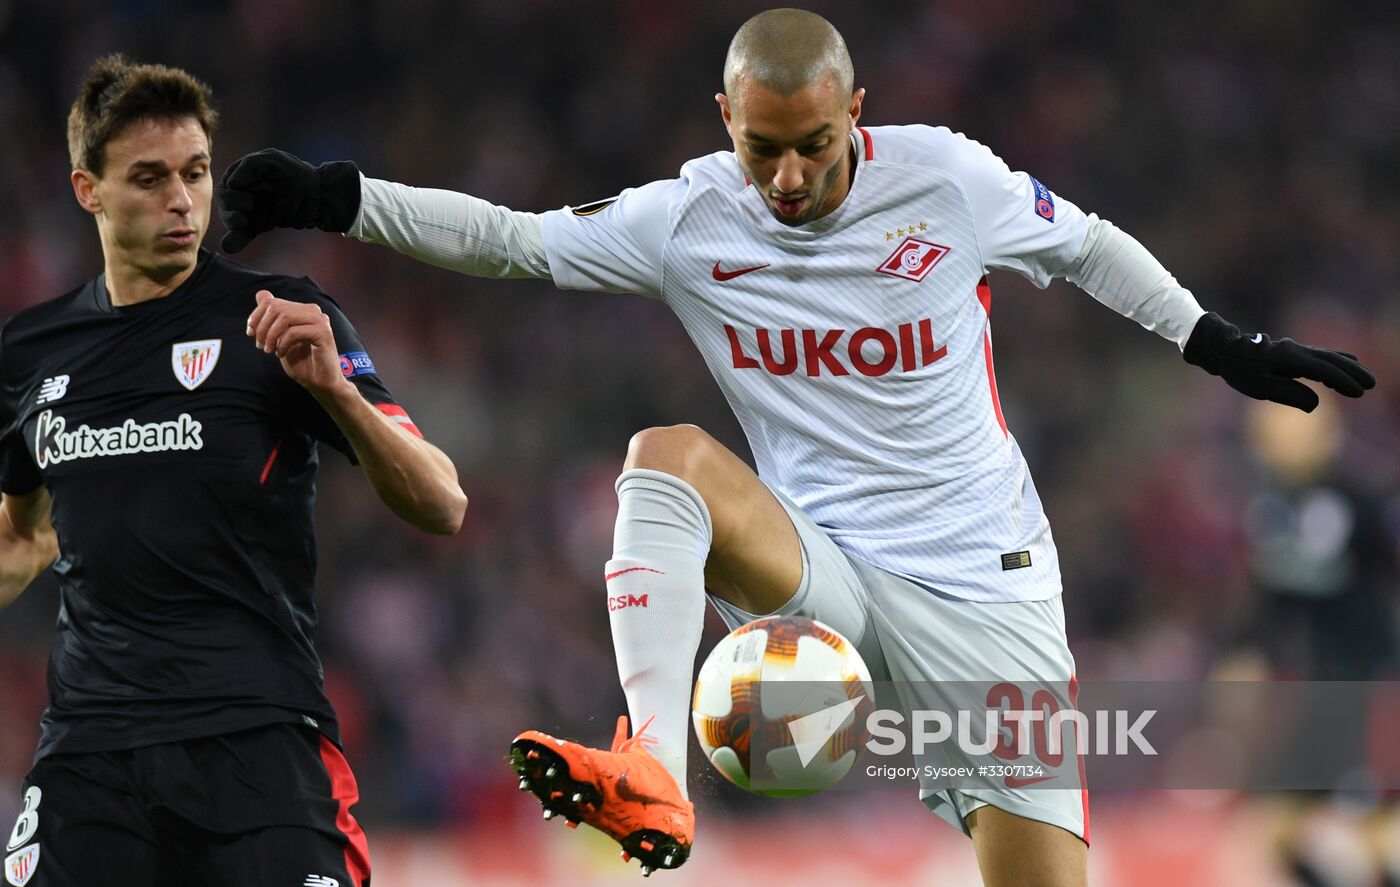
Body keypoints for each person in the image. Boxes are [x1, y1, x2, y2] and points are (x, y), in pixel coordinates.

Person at [215, 9, 1375, 885]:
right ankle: (652, 765)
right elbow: (512, 241)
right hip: (816, 568)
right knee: (662, 454)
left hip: (987, 590)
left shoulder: (947, 179)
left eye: (814, 145)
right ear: (725, 119)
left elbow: (1086, 246)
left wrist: (1216, 341)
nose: (786, 176)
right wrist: (337, 194)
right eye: (763, 146)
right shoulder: (688, 216)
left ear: (855, 111)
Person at [0, 55, 467, 887]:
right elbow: (24, 536)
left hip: (257, 740)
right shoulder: (31, 352)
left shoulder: (283, 317)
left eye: (196, 172)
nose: (182, 201)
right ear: (87, 189)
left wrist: (336, 392)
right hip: (92, 751)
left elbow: (442, 501)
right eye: (148, 178)